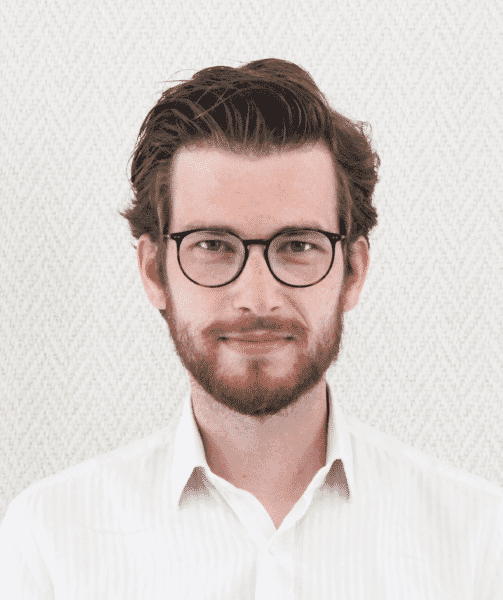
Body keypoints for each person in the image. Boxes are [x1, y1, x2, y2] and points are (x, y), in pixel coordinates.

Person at [0, 58, 501, 599]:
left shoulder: (478, 542)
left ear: (353, 271)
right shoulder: (50, 540)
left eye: (298, 246)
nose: (258, 298)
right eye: (213, 246)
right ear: (153, 272)